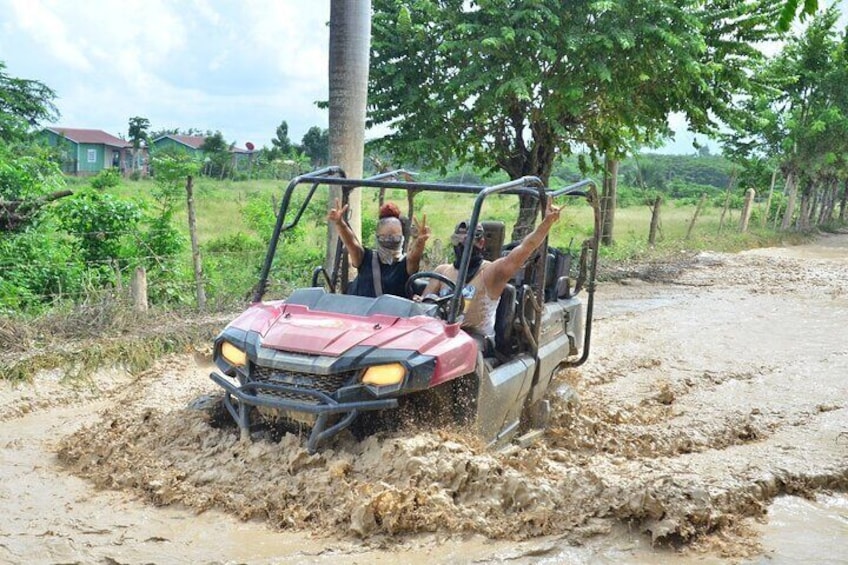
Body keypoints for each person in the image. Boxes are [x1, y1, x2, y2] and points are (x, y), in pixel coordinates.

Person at [421, 200, 562, 340]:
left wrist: (546, 223)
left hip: (476, 340)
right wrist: (420, 302)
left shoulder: (491, 272)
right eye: (456, 240)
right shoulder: (442, 272)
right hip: (440, 337)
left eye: (466, 242)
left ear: (481, 243)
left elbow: (526, 248)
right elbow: (423, 308)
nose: (460, 245)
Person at [327, 199, 430, 298]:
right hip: (361, 313)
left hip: (394, 315)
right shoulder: (365, 258)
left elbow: (414, 257)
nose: (390, 241)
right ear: (377, 237)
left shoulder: (406, 264)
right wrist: (340, 223)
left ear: (402, 237)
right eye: (385, 238)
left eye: (395, 238)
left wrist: (420, 241)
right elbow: (351, 243)